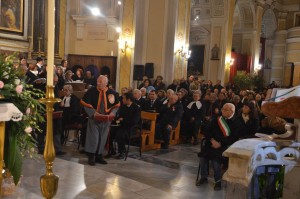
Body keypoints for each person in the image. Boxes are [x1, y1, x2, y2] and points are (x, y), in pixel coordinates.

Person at [197, 103, 239, 191]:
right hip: (211, 143)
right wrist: (212, 140)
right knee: (203, 157)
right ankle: (204, 177)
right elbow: (207, 131)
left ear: (232, 111)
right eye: (222, 109)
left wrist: (220, 143)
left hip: (225, 146)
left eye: (225, 110)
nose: (222, 111)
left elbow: (234, 137)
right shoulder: (216, 120)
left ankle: (218, 181)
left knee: (215, 160)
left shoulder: (236, 122)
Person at [81, 75, 120, 166]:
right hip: (94, 119)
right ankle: (91, 156)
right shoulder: (91, 91)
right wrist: (93, 114)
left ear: (106, 83)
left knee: (103, 138)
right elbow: (85, 105)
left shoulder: (112, 93)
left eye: (100, 82)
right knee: (93, 138)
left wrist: (112, 114)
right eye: (97, 82)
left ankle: (99, 156)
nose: (98, 83)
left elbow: (116, 106)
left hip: (106, 120)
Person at [115, 92, 141, 159]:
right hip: (122, 126)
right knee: (111, 131)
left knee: (120, 134)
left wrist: (123, 120)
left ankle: (122, 152)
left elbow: (134, 121)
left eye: (123, 98)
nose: (122, 100)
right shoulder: (123, 106)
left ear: (128, 99)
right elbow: (119, 116)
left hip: (132, 128)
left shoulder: (136, 108)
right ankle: (111, 150)